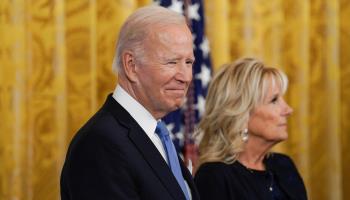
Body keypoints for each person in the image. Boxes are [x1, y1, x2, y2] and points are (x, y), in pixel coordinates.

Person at [60, 5, 199, 200]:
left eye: (189, 63)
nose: (185, 77)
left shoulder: (157, 134)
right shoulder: (99, 145)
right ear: (131, 65)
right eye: (171, 62)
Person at [194, 58, 307, 200]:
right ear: (241, 113)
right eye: (274, 100)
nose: (288, 110)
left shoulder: (284, 165)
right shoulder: (213, 176)